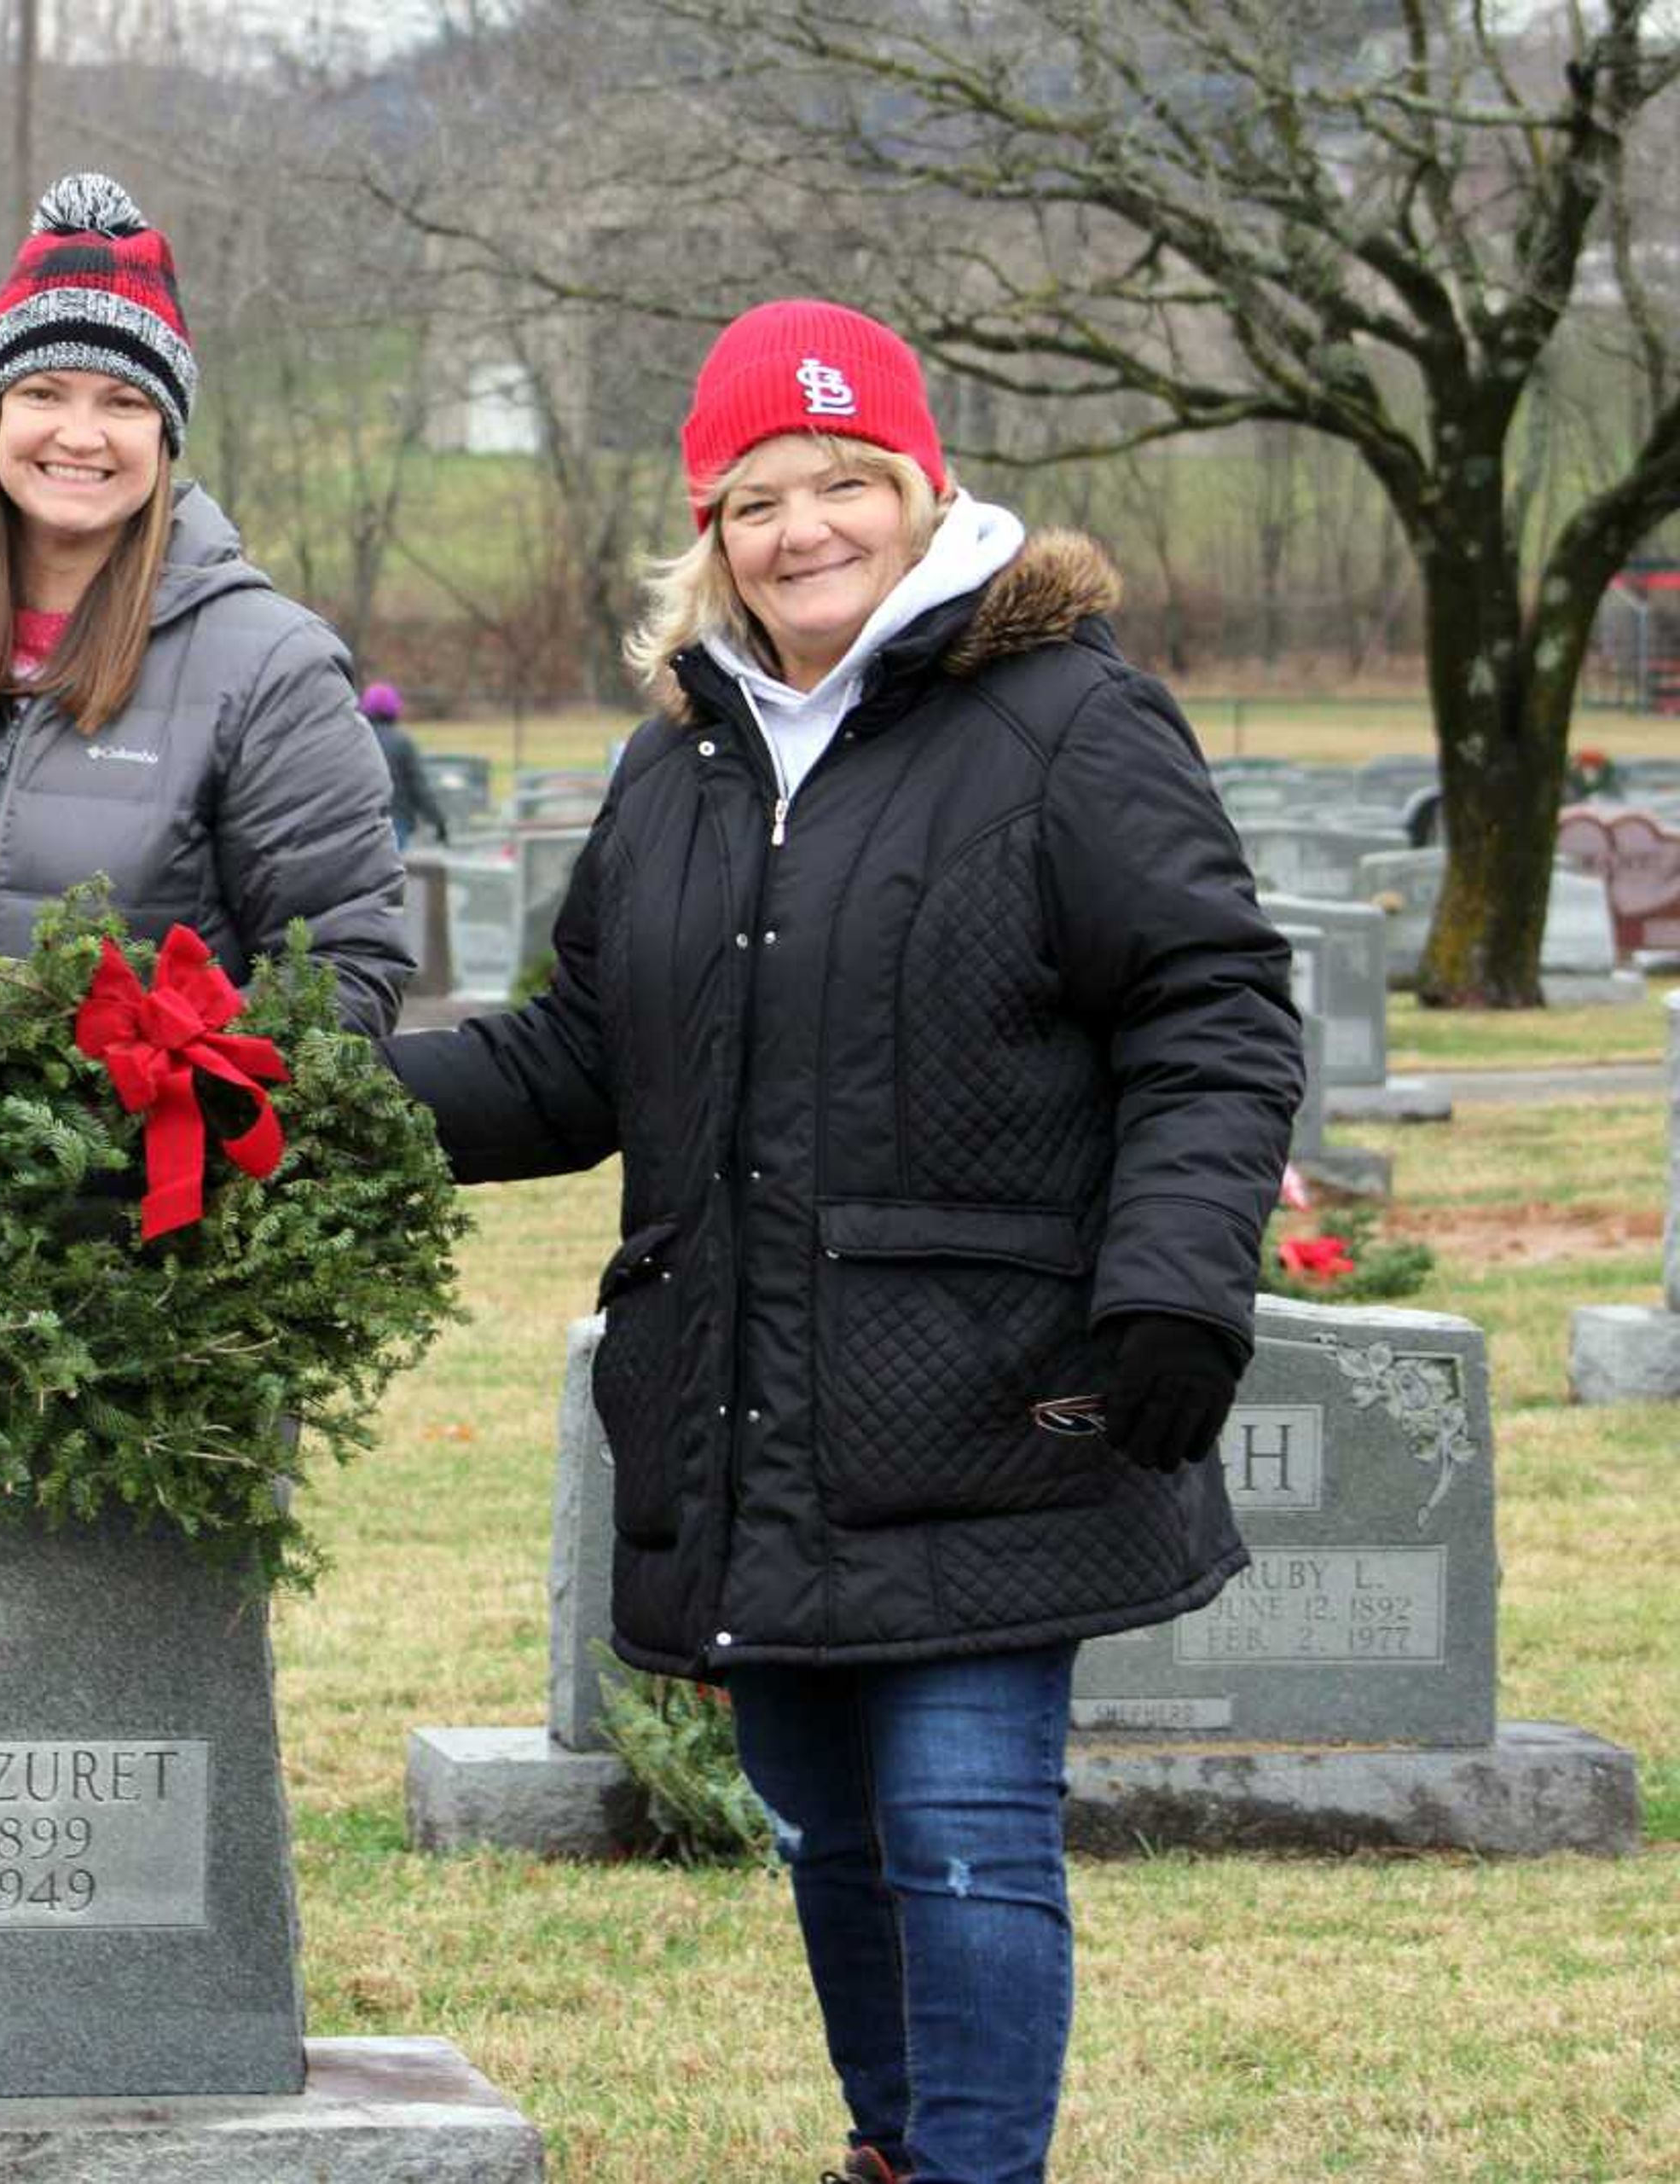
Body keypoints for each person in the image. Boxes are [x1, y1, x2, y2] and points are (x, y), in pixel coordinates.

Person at [381, 299, 1301, 2184]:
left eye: (845, 483)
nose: (805, 530)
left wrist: (1177, 1286)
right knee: (823, 1824)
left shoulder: (1067, 718)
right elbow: (576, 1058)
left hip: (993, 1397)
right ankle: (895, 2148)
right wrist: (313, 1103)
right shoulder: (682, 760)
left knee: (965, 1828)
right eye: (757, 498)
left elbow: (1211, 1005)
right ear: (709, 531)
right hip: (750, 1406)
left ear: (923, 482)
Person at [0, 173, 410, 1039]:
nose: (79, 434)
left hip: (137, 1174)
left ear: (165, 434)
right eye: (42, 392)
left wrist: (111, 1113)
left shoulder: (270, 666)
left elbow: (343, 974)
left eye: (124, 402)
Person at [360, 681, 454, 849]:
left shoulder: (357, 739)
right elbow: (419, 788)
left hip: (361, 821)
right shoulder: (402, 743)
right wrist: (438, 822)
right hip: (395, 822)